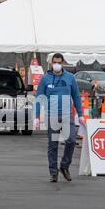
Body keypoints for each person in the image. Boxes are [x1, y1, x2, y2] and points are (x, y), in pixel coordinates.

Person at [34, 53, 85, 183]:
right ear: (51, 63)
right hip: (52, 116)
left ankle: (64, 166)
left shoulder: (70, 78)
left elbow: (76, 97)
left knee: (72, 141)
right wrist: (36, 116)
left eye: (59, 62)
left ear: (62, 63)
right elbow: (39, 98)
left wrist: (80, 114)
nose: (57, 64)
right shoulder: (45, 79)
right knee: (53, 145)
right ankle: (53, 172)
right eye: (54, 62)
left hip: (67, 115)